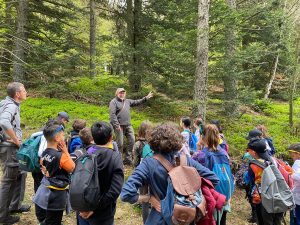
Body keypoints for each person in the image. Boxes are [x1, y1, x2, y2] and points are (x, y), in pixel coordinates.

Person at [120, 124, 219, 225]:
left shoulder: (148, 164)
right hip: (186, 218)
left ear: (152, 141)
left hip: (159, 218)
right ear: (177, 141)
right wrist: (193, 193)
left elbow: (126, 194)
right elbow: (214, 179)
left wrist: (149, 198)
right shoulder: (187, 161)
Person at [79, 121, 124, 225]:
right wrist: (94, 209)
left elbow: (77, 181)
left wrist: (83, 208)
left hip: (82, 210)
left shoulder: (84, 153)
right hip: (103, 214)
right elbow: (115, 190)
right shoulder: (114, 157)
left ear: (93, 138)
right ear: (110, 137)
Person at [33, 121, 75, 225]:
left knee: (48, 218)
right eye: (62, 135)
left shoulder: (44, 152)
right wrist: (65, 151)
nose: (64, 136)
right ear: (57, 138)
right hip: (57, 194)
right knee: (54, 219)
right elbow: (72, 168)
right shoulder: (61, 156)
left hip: (46, 189)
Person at [0, 82, 30, 224]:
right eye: (24, 90)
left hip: (9, 147)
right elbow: (4, 122)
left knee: (20, 174)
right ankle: (3, 216)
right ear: (17, 94)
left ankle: (14, 205)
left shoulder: (6, 103)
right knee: (8, 181)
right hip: (9, 148)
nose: (26, 92)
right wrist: (15, 140)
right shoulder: (11, 106)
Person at [193, 124, 234, 225]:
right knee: (222, 218)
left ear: (202, 137)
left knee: (209, 219)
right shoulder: (224, 153)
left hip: (210, 193)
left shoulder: (201, 155)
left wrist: (198, 148)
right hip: (225, 193)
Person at [243, 138, 284, 225]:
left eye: (248, 150)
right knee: (277, 221)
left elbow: (248, 180)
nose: (247, 152)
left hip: (262, 198)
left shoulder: (253, 164)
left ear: (254, 152)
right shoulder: (274, 160)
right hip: (278, 196)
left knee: (263, 221)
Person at [109, 88, 153, 165]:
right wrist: (116, 125)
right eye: (120, 93)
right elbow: (112, 115)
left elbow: (137, 102)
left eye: (123, 93)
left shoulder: (127, 101)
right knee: (120, 144)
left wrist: (146, 98)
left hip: (128, 125)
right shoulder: (113, 102)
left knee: (132, 140)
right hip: (119, 126)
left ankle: (127, 158)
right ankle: (117, 160)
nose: (122, 94)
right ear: (117, 93)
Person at [132, 121, 153, 224]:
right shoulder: (154, 142)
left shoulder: (137, 144)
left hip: (142, 174)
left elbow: (135, 162)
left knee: (144, 200)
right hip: (154, 173)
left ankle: (146, 222)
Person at [287, 143, 300, 225]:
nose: (292, 158)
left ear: (298, 154)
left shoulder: (298, 163)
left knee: (296, 220)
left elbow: (297, 177)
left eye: (293, 156)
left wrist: (289, 173)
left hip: (297, 199)